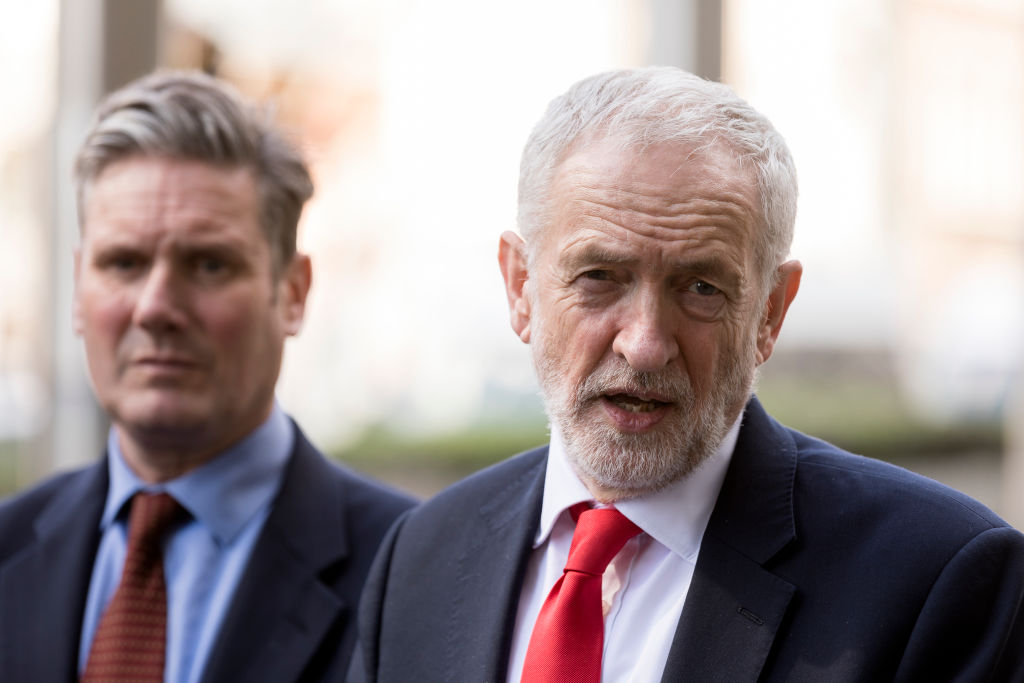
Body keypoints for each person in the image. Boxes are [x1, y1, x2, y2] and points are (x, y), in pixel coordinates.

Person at [350, 66, 1024, 682]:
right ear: (520, 286)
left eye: (700, 287)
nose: (645, 344)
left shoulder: (938, 578)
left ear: (770, 311)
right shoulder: (420, 559)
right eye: (599, 277)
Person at [0, 70, 414, 682]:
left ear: (293, 292)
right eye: (123, 262)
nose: (155, 307)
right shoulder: (8, 551)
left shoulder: (412, 572)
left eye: (209, 264)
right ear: (77, 289)